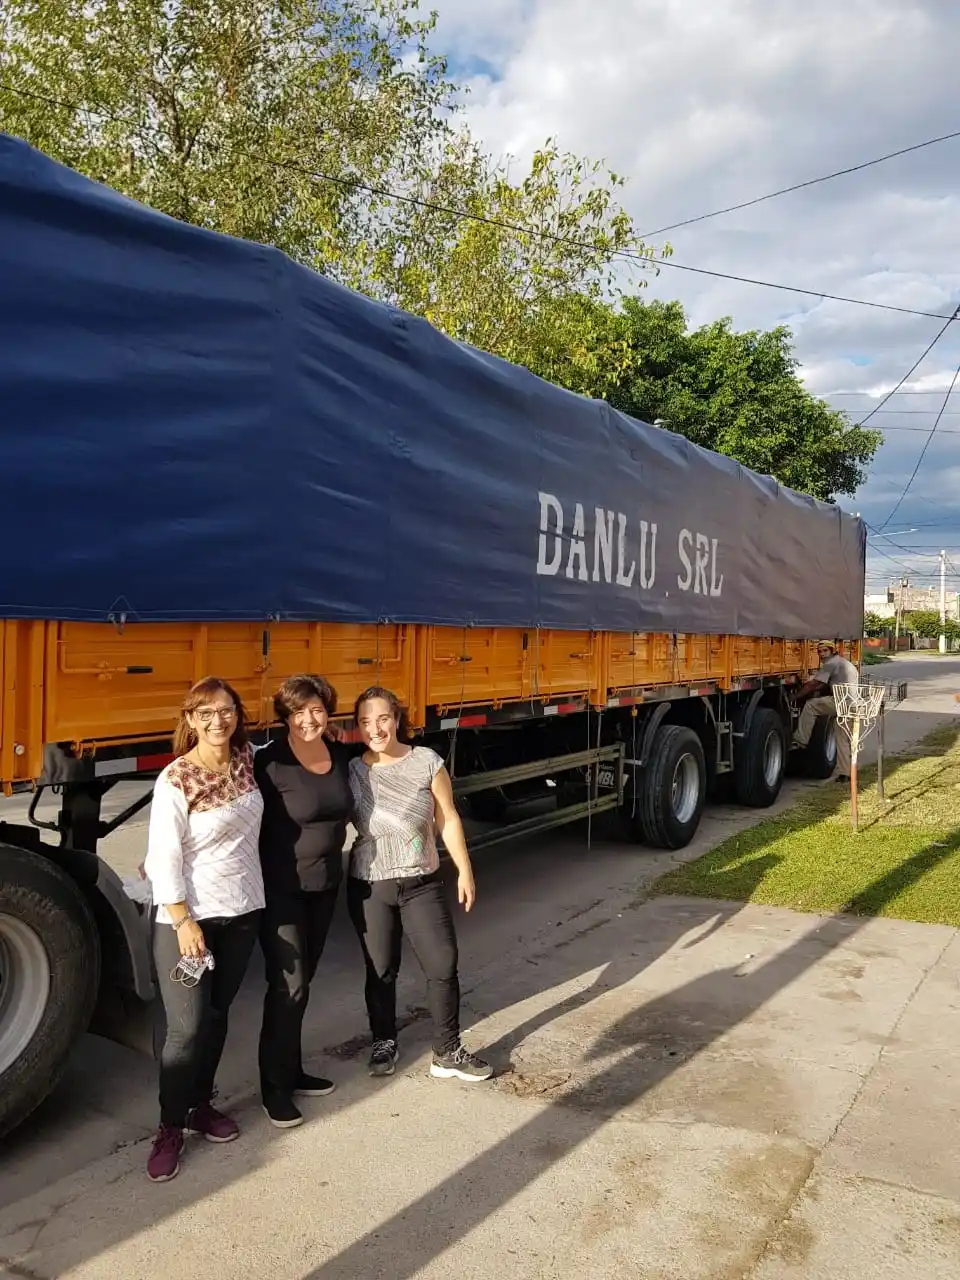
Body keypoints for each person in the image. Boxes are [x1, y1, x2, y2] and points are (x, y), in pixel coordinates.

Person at [143, 677, 265, 1183]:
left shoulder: (248, 760)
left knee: (215, 1016)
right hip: (187, 921)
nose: (219, 720)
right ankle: (170, 1126)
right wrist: (182, 919)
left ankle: (200, 1105)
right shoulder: (176, 779)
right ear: (190, 719)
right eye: (206, 713)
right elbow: (162, 855)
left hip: (242, 911)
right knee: (185, 1028)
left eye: (227, 710)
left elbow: (304, 741)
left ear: (238, 713)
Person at [347, 686, 493, 1083]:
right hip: (370, 884)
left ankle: (447, 1051)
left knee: (443, 962)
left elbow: (447, 816)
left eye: (381, 718)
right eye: (364, 721)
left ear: (396, 719)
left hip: (421, 882)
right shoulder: (353, 771)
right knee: (380, 969)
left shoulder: (426, 761)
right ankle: (383, 1040)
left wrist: (464, 868)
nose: (374, 728)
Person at [254, 674, 357, 1128]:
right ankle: (273, 1089)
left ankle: (292, 1071)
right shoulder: (270, 763)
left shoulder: (339, 755)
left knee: (303, 984)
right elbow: (232, 814)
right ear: (286, 716)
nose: (309, 719)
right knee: (288, 986)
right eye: (299, 712)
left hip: (324, 885)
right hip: (280, 889)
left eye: (317, 710)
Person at [793, 641, 858, 781]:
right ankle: (845, 774)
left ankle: (801, 739)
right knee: (842, 738)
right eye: (819, 651)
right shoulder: (844, 662)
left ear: (832, 651)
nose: (822, 654)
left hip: (841, 702)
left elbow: (815, 684)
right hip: (853, 704)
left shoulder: (831, 663)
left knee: (811, 705)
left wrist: (796, 696)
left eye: (825, 651)